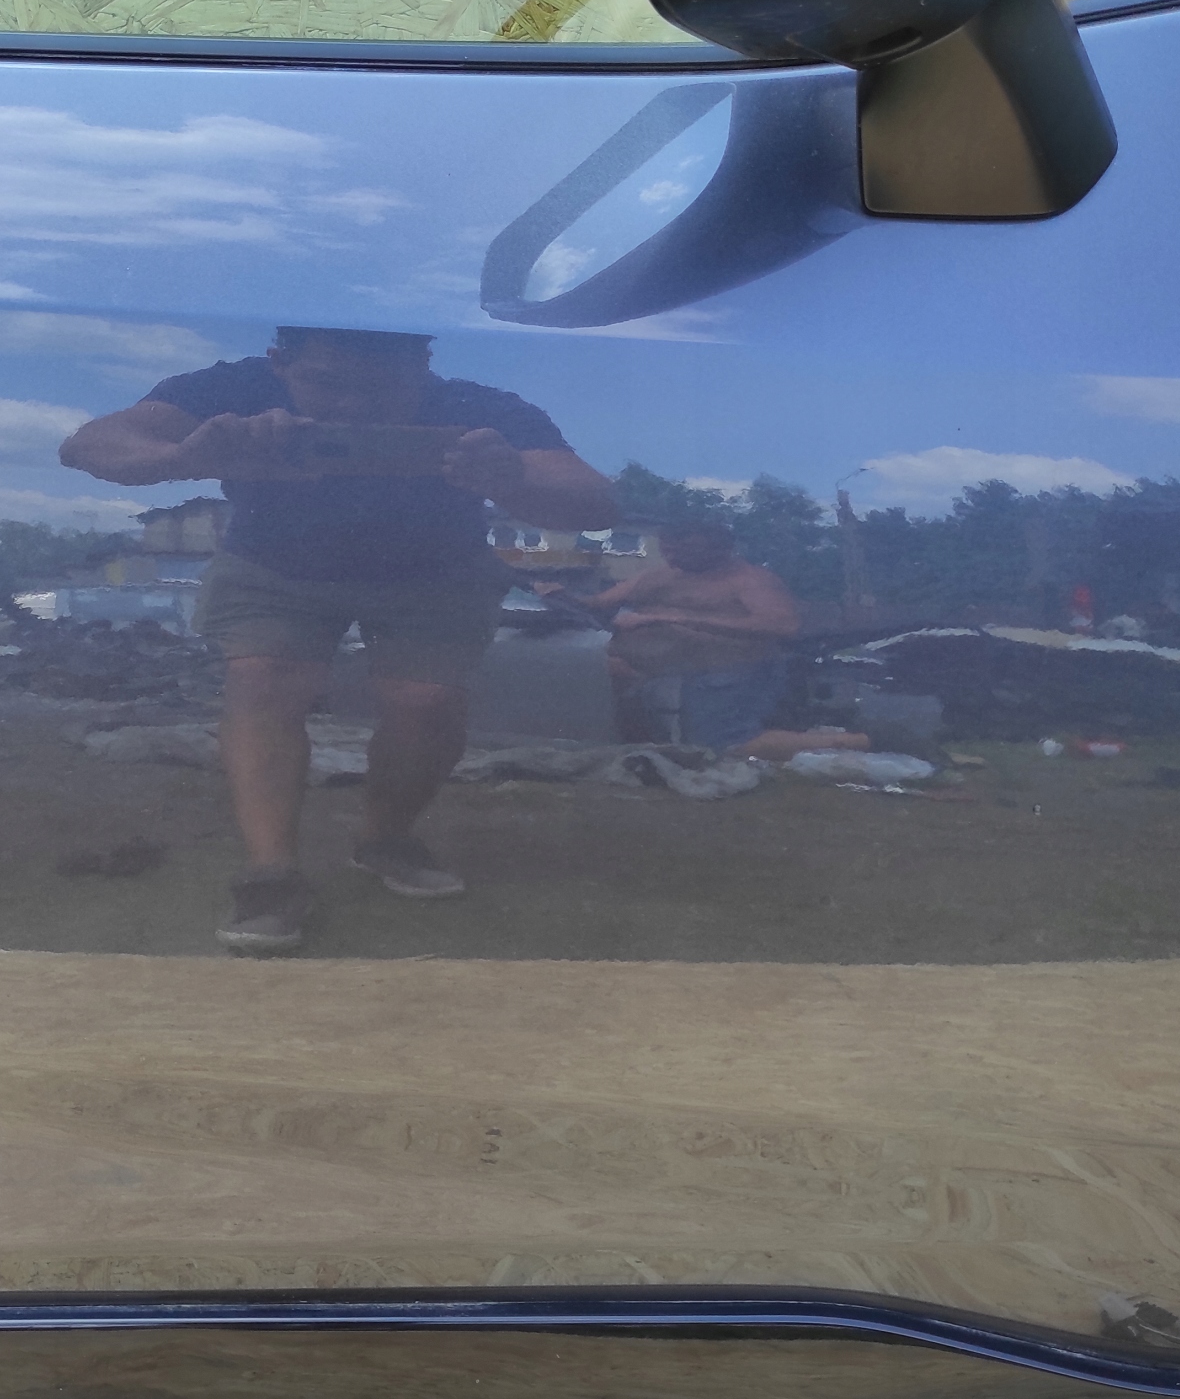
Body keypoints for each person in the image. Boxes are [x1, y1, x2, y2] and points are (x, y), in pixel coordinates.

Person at [61, 327, 616, 954]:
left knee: (425, 701)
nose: (353, 405)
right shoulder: (234, 387)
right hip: (274, 564)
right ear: (280, 364)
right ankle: (270, 873)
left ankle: (387, 838)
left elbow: (596, 503)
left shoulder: (475, 408)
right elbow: (86, 445)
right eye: (327, 383)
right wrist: (185, 456)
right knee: (263, 679)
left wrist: (510, 477)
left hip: (435, 570)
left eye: (382, 387)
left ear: (422, 365)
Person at [559, 518, 849, 755]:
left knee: (721, 746)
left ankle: (854, 742)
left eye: (683, 551)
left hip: (729, 673)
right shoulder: (658, 575)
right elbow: (597, 605)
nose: (673, 558)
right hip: (652, 673)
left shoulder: (751, 580)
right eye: (668, 550)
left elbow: (782, 625)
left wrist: (673, 619)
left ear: (720, 550)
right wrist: (558, 595)